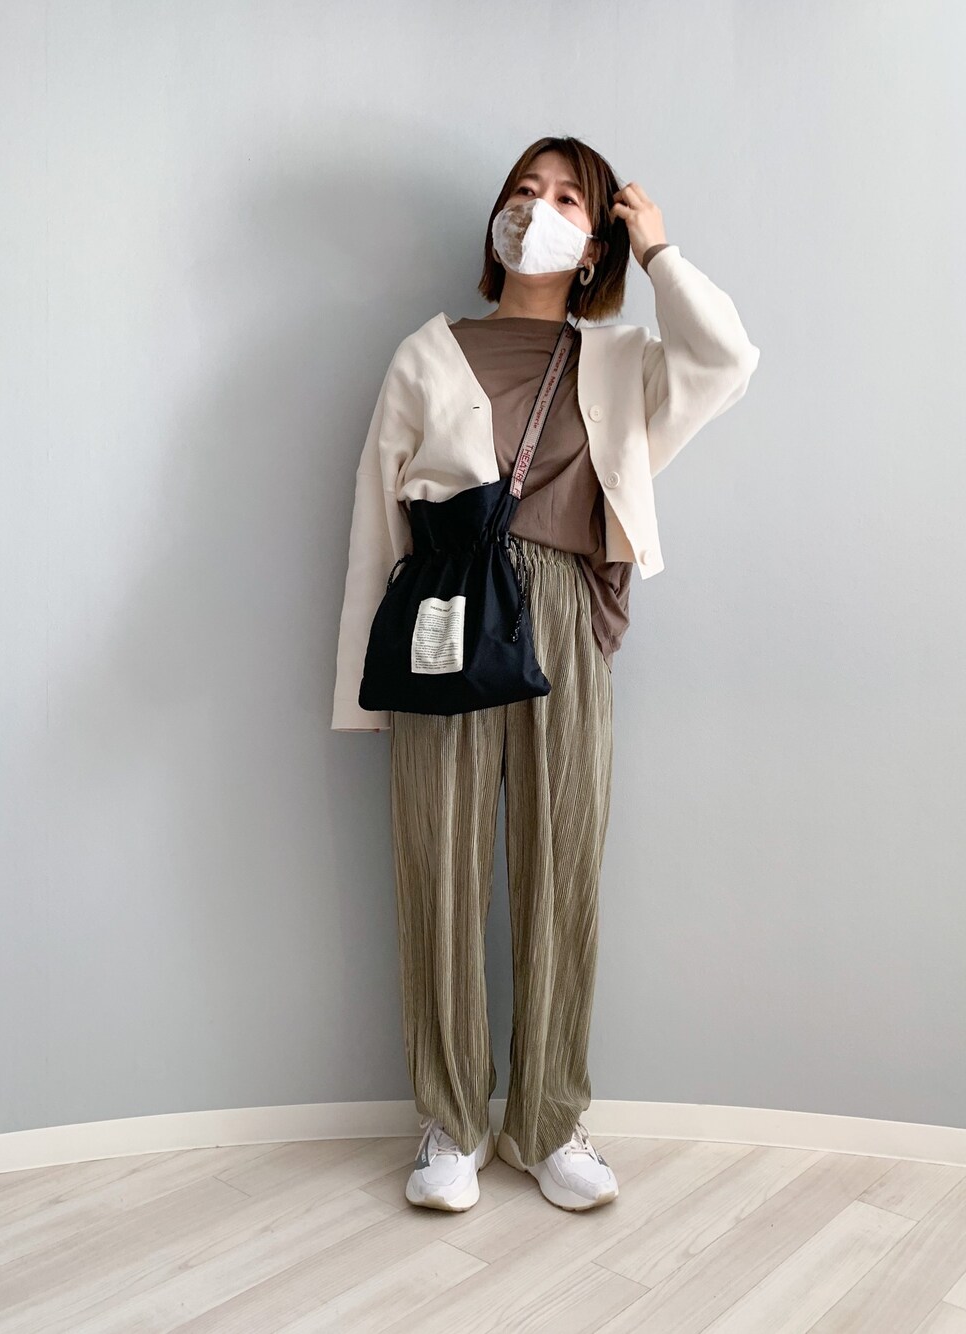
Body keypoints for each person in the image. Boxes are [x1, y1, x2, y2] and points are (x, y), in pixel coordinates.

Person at [331, 135, 760, 1213]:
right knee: (438, 860)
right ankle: (450, 1121)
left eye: (568, 197)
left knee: (563, 862)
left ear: (593, 240)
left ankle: (550, 1118)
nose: (537, 208)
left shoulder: (620, 360)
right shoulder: (425, 354)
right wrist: (366, 692)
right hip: (442, 613)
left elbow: (726, 359)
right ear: (496, 218)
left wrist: (657, 250)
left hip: (564, 612)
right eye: (523, 191)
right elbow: (376, 527)